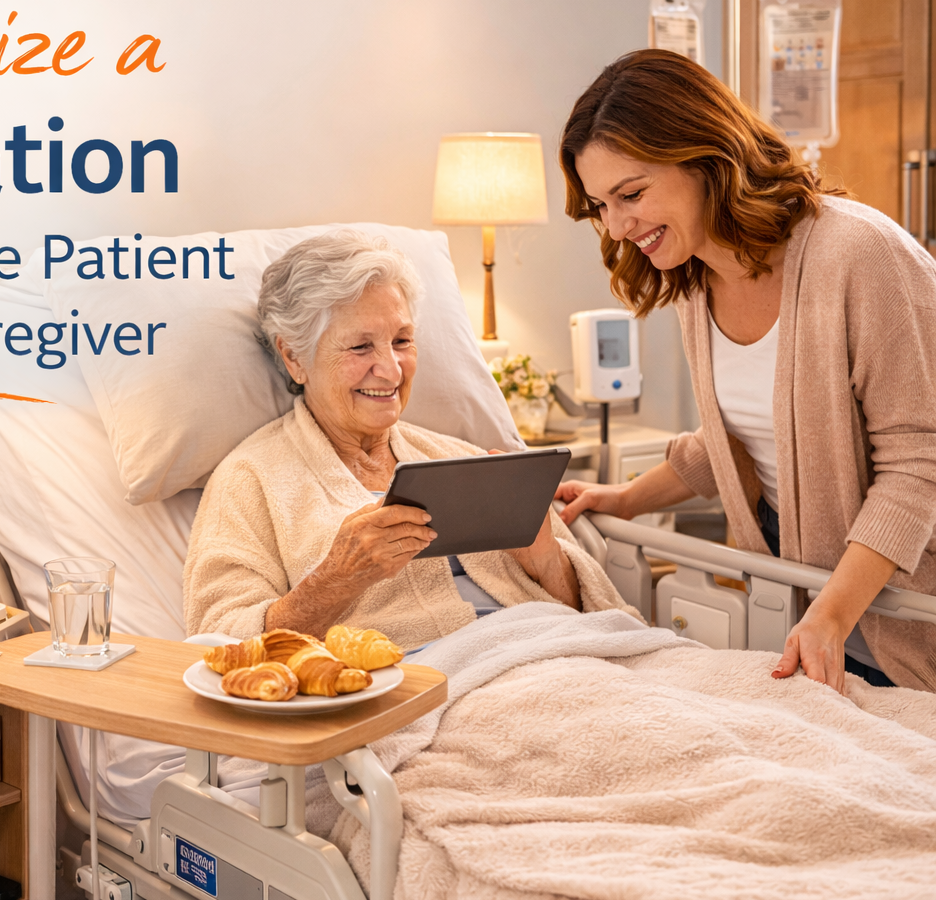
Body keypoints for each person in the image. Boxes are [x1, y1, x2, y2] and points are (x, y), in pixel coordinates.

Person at [555, 49, 936, 693]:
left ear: (706, 157)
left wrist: (832, 614)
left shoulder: (860, 254)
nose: (617, 227)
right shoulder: (695, 281)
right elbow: (738, 439)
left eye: (632, 194)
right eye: (601, 206)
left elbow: (919, 463)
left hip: (896, 597)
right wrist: (623, 500)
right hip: (802, 587)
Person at [182, 231, 634, 648]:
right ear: (294, 356)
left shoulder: (463, 458)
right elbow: (222, 643)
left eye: (401, 341)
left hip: (560, 652)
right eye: (361, 347)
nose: (392, 370)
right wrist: (337, 578)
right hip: (430, 685)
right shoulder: (250, 480)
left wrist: (544, 559)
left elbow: (600, 612)